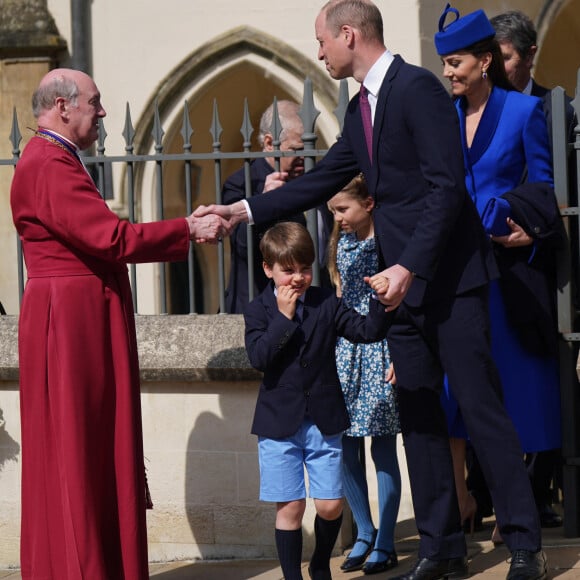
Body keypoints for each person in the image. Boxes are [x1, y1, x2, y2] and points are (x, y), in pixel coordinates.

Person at [195, 2, 547, 578]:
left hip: (450, 283)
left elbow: (446, 190)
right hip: (399, 290)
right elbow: (322, 181)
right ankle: (440, 549)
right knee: (420, 420)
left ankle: (525, 546)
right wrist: (240, 209)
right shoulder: (360, 108)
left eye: (321, 41)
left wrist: (408, 266)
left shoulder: (420, 90)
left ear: (348, 35)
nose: (318, 53)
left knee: (483, 414)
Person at [10, 68, 228, 580]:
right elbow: (110, 237)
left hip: (78, 312)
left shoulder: (56, 157)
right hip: (70, 320)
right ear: (63, 106)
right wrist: (187, 229)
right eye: (95, 101)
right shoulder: (48, 161)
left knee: (89, 446)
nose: (102, 112)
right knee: (76, 450)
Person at [435, 5, 564, 549]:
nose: (448, 73)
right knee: (454, 401)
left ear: (485, 61)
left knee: (513, 403)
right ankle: (465, 503)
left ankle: (523, 521)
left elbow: (544, 188)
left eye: (456, 62)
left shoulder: (522, 112)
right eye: (444, 63)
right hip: (452, 278)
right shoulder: (440, 116)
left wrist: (528, 231)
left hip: (506, 276)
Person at [244, 221, 392, 580]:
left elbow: (366, 331)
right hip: (279, 425)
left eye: (305, 269)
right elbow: (259, 358)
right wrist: (284, 318)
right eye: (288, 270)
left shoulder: (326, 301)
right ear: (268, 269)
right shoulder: (258, 310)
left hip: (323, 421)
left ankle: (321, 560)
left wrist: (381, 299)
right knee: (291, 507)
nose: (298, 278)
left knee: (329, 505)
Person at [326, 175, 401, 575]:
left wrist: (401, 355)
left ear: (368, 203)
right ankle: (364, 532)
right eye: (333, 212)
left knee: (382, 447)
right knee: (345, 448)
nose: (337, 218)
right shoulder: (343, 242)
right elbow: (339, 297)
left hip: (382, 349)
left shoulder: (389, 241)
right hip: (346, 352)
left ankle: (386, 541)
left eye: (343, 209)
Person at [223, 100, 333, 313]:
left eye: (309, 147)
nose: (305, 156)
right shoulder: (242, 183)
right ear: (268, 142)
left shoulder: (315, 177)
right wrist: (264, 202)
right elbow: (241, 246)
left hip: (316, 305)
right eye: (295, 149)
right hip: (263, 307)